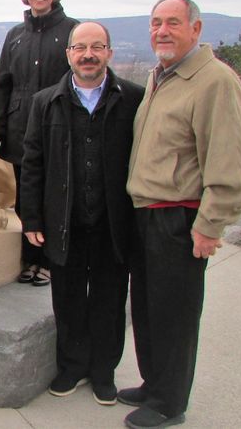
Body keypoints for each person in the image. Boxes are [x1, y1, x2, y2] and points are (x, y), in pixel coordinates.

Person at [122, 0, 241, 429]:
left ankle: (169, 402)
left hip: (179, 215)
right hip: (146, 211)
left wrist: (210, 225)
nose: (162, 30)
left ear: (195, 30)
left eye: (173, 22)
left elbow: (228, 160)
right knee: (146, 306)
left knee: (174, 312)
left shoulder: (214, 81)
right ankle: (154, 382)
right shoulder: (164, 77)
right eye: (156, 22)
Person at [20, 21, 144, 406]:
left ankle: (103, 371)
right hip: (64, 220)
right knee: (68, 298)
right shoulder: (46, 102)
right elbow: (33, 163)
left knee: (109, 299)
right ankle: (72, 367)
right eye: (80, 48)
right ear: (69, 54)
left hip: (113, 221)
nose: (88, 54)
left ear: (109, 52)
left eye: (97, 47)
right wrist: (33, 220)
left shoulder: (134, 99)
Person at [0, 0, 78, 287]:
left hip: (58, 126)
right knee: (26, 195)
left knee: (54, 195)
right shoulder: (15, 36)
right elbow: (3, 84)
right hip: (19, 127)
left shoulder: (71, 31)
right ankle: (29, 258)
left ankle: (49, 261)